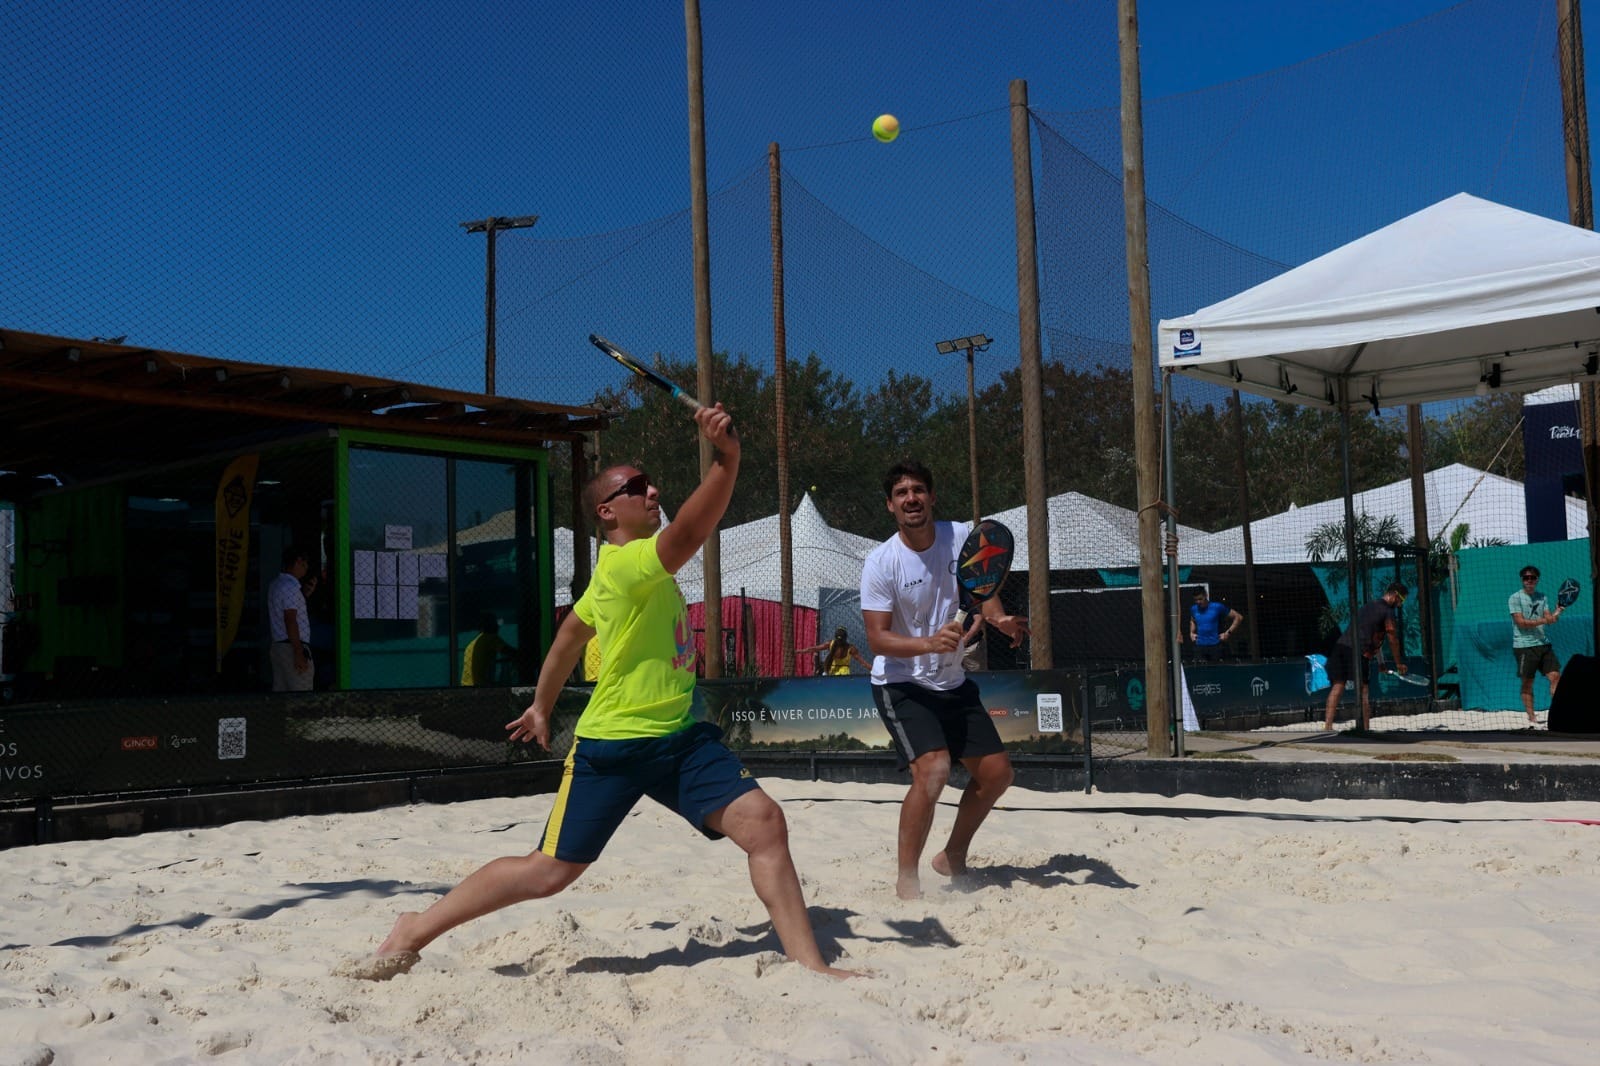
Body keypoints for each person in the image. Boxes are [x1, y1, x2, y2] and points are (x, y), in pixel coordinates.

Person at [347, 403, 857, 981]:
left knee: (764, 823)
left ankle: (811, 966)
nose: (653, 490)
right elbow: (691, 531)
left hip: (680, 739)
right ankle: (414, 926)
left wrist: (541, 705)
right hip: (613, 745)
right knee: (548, 873)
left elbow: (567, 636)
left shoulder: (618, 576)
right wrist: (726, 459)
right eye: (638, 486)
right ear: (607, 511)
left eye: (649, 482)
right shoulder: (625, 566)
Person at [859, 459, 1030, 900]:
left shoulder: (960, 537)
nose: (911, 498)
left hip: (951, 682)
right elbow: (877, 640)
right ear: (890, 506)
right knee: (933, 770)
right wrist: (928, 644)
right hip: (902, 683)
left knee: (997, 775)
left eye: (918, 490)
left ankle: (951, 856)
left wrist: (1000, 619)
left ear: (932, 497)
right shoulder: (881, 562)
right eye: (902, 493)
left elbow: (981, 587)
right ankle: (907, 879)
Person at [1322, 582, 1408, 731]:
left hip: (1341, 646)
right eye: (1402, 600)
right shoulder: (1387, 611)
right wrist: (1399, 663)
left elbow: (1375, 638)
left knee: (1338, 686)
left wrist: (1381, 663)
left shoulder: (1368, 606)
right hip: (1359, 651)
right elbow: (1392, 638)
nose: (1400, 604)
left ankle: (1327, 727)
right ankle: (1365, 730)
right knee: (1363, 691)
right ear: (1395, 595)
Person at [1510, 565, 1563, 725]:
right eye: (1526, 577)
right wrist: (1544, 620)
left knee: (1556, 677)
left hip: (1543, 644)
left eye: (1532, 577)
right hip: (1524, 646)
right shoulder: (1515, 598)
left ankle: (1556, 714)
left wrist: (1556, 613)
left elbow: (1549, 619)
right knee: (1528, 682)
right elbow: (1520, 623)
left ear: (1537, 579)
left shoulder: (1542, 597)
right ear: (1522, 580)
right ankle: (1532, 717)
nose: (1529, 580)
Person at [266, 546, 312, 692]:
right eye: (306, 564)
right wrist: (298, 652)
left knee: (281, 691)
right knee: (301, 692)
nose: (307, 568)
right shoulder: (290, 586)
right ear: (299, 562)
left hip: (278, 646)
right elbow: (290, 619)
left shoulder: (276, 584)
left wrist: (304, 595)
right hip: (292, 646)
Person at [460, 612, 517, 686]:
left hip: (465, 686)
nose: (497, 626)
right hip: (481, 686)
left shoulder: (473, 643)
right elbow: (510, 652)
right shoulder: (491, 638)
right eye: (494, 623)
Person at [1188, 588, 1243, 662]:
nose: (1198, 602)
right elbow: (1192, 621)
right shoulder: (1193, 609)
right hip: (1199, 646)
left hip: (1215, 645)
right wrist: (1191, 632)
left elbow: (1238, 617)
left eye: (1200, 599)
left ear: (1206, 596)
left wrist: (1228, 633)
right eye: (1196, 600)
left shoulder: (1217, 607)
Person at [798, 627, 871, 676]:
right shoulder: (851, 648)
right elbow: (863, 663)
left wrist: (800, 651)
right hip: (844, 674)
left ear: (835, 637)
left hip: (831, 672)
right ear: (846, 638)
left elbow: (814, 649)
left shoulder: (830, 644)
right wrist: (873, 669)